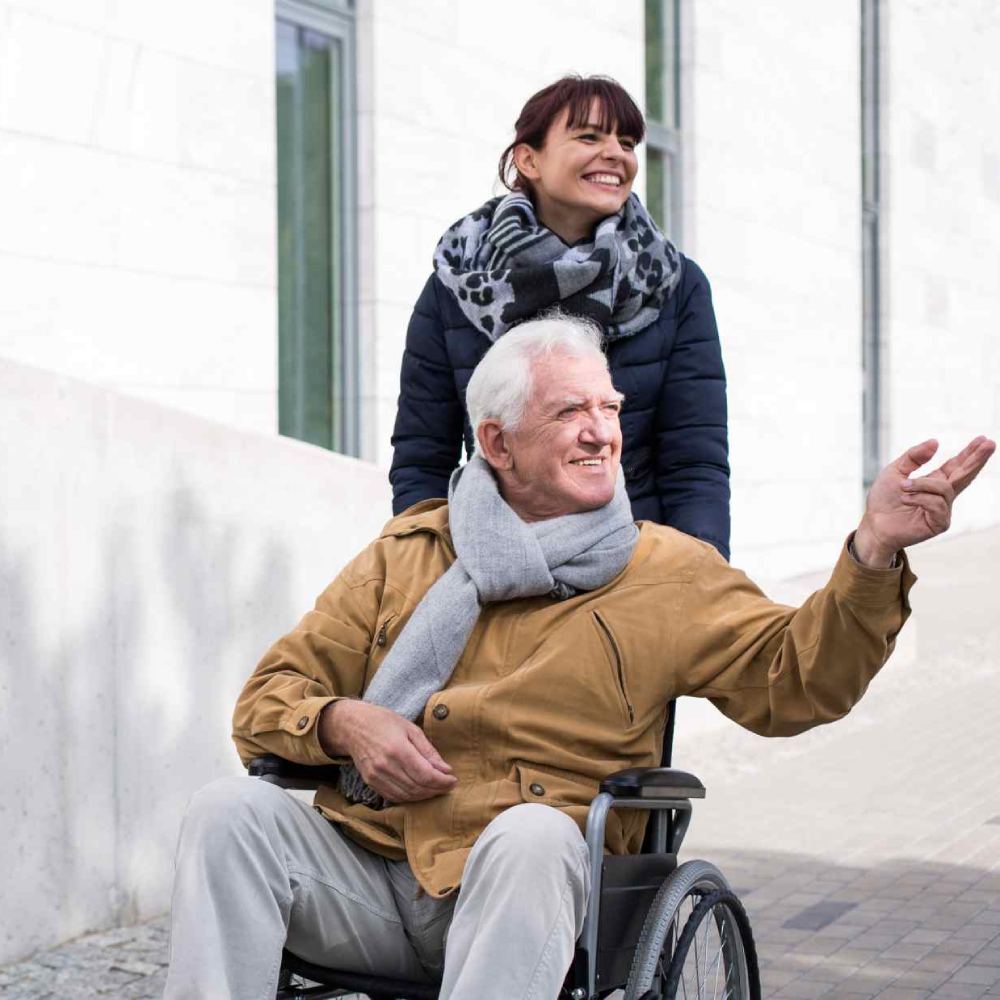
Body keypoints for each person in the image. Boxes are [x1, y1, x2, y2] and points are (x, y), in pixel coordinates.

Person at [164, 316, 994, 1000]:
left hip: (538, 896)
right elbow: (269, 696)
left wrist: (874, 550)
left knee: (530, 836)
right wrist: (345, 722)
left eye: (609, 406)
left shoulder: (665, 569)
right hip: (374, 877)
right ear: (497, 441)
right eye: (569, 413)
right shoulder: (409, 553)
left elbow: (798, 679)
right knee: (227, 814)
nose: (602, 431)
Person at [390, 75, 732, 559]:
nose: (617, 153)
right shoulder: (460, 282)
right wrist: (420, 566)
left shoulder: (674, 284)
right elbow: (422, 455)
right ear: (529, 159)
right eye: (590, 137)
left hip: (634, 566)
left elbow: (694, 460)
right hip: (495, 564)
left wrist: (698, 573)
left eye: (627, 141)